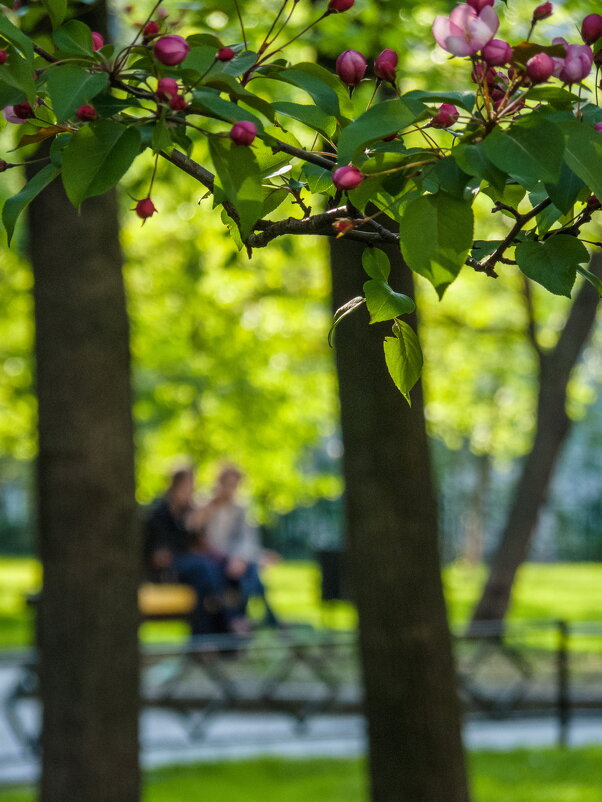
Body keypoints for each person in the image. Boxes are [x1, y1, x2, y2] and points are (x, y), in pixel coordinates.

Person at [144, 468, 232, 636]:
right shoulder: (161, 513)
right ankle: (226, 624)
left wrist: (198, 526)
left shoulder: (190, 512)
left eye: (192, 487)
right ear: (174, 486)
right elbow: (161, 555)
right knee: (205, 570)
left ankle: (203, 641)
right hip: (168, 571)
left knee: (205, 580)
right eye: (187, 486)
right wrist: (187, 528)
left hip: (195, 571)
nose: (190, 491)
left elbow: (200, 546)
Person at [191, 466, 280, 628]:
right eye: (228, 483)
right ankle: (248, 619)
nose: (231, 489)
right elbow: (200, 536)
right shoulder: (205, 504)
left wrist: (239, 558)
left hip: (234, 559)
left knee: (250, 571)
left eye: (235, 484)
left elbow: (248, 539)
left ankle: (241, 620)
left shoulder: (241, 508)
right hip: (213, 558)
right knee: (250, 574)